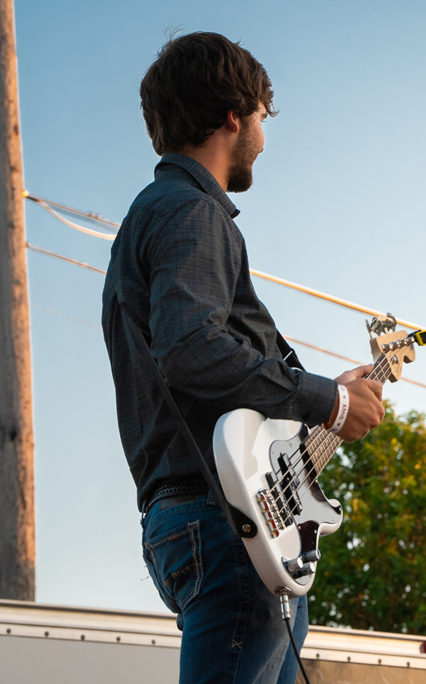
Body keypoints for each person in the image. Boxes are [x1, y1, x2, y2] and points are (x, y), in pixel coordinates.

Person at [100, 32, 385, 683]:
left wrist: (322, 396)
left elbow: (205, 372)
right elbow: (193, 350)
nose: (263, 133)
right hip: (221, 522)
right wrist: (330, 400)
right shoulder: (193, 214)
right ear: (236, 115)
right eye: (262, 117)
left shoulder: (156, 217)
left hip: (209, 516)